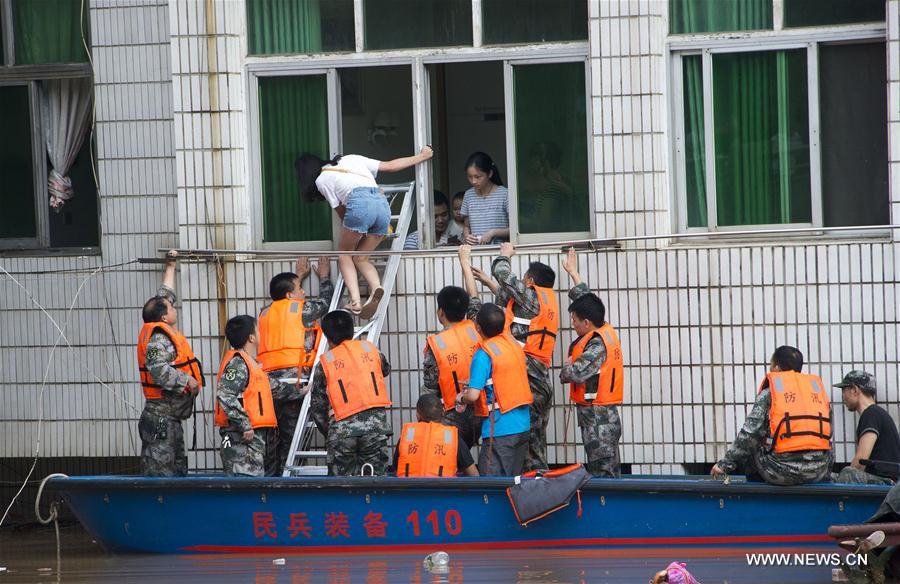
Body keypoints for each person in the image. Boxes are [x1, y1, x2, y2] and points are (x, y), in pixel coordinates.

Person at [296, 147, 433, 318]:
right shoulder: (352, 158)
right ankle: (376, 287)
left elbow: (343, 214)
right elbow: (390, 166)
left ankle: (355, 301)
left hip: (360, 205)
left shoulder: (321, 180)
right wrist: (422, 156)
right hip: (382, 206)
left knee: (345, 254)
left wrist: (357, 229)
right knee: (361, 257)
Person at [476, 242, 558, 472]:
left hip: (529, 379)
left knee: (529, 447)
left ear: (530, 282)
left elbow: (502, 271)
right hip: (541, 378)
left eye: (523, 279)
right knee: (537, 441)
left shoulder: (530, 295)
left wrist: (505, 253)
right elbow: (513, 306)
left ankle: (535, 493)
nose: (520, 283)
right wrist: (489, 284)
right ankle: (541, 487)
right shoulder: (543, 302)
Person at [711, 346, 834, 486]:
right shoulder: (817, 394)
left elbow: (749, 434)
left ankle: (758, 497)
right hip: (819, 471)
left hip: (780, 472)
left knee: (753, 443)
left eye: (770, 365)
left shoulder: (770, 393)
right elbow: (828, 434)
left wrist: (724, 464)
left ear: (776, 367)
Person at [257, 256, 333, 475]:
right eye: (300, 288)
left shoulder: (264, 313)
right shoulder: (300, 310)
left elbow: (284, 302)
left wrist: (298, 277)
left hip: (269, 388)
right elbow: (325, 303)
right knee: (293, 445)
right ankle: (288, 485)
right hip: (294, 387)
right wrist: (325, 276)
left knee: (272, 444)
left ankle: (270, 486)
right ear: (290, 295)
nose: (304, 292)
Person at [136, 250, 203, 477]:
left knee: (177, 471)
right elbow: (158, 371)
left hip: (170, 418)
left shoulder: (160, 323)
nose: (175, 308)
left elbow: (165, 296)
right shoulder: (159, 338)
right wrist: (188, 380)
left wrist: (170, 266)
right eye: (171, 308)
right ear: (164, 316)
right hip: (160, 418)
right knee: (161, 475)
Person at [559, 248, 624, 478]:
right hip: (600, 418)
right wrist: (574, 273)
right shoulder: (602, 326)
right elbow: (588, 300)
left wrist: (566, 365)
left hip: (599, 423)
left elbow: (573, 374)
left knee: (604, 474)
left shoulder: (596, 346)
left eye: (575, 321)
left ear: (586, 323)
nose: (573, 325)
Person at [308, 310, 393, 476]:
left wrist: (331, 431)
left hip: (341, 431)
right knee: (376, 481)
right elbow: (385, 369)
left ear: (328, 337)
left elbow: (317, 407)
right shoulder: (371, 350)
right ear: (352, 330)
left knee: (341, 486)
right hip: (375, 428)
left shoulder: (325, 363)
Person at [455, 303, 532, 476]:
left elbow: (473, 396)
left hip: (499, 429)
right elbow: (501, 377)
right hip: (523, 425)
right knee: (514, 483)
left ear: (478, 327)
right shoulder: (512, 345)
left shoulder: (484, 353)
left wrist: (461, 397)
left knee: (491, 484)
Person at [421, 246, 484, 448]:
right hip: (484, 408)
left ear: (441, 312)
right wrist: (465, 262)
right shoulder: (477, 326)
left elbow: (430, 388)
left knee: (455, 459)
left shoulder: (436, 344)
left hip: (454, 412)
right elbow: (474, 296)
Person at [214, 315, 278, 477]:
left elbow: (271, 387)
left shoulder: (250, 363)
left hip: (251, 441)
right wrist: (245, 423)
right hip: (241, 441)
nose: (259, 333)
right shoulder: (238, 363)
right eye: (257, 329)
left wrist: (300, 390)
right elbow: (225, 393)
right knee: (245, 489)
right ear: (251, 337)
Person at [833, 371, 900, 485]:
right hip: (890, 480)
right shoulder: (877, 413)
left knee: (845, 474)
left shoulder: (871, 414)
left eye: (844, 390)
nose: (843, 396)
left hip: (886, 481)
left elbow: (860, 461)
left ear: (855, 390)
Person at [391, 394, 479, 477]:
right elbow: (473, 474)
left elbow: (396, 470)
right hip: (442, 491)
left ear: (417, 414)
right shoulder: (452, 437)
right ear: (443, 412)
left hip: (408, 491)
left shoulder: (407, 436)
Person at [459, 152, 509, 245]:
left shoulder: (504, 194)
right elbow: (466, 226)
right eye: (470, 177)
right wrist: (467, 236)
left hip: (500, 250)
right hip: (476, 253)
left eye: (478, 177)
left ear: (489, 173)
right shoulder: (468, 195)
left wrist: (493, 233)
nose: (473, 181)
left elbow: (514, 229)